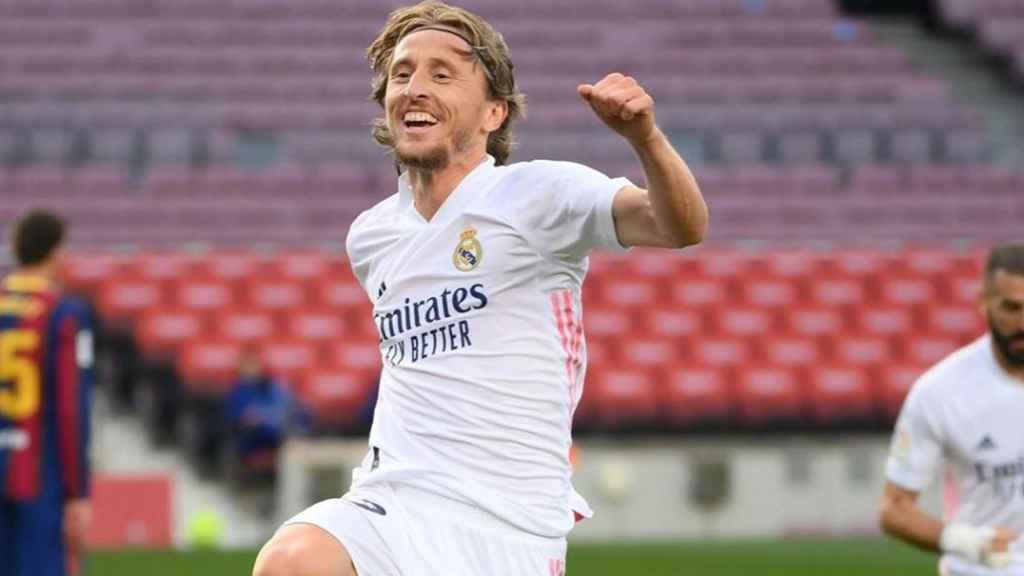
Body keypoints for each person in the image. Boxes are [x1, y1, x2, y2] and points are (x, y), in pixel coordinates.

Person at [254, 2, 707, 574]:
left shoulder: (536, 196)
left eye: (442, 74)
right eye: (402, 74)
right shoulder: (370, 236)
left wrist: (645, 139)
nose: (414, 88)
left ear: (494, 112)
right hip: (392, 499)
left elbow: (680, 226)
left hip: (508, 525)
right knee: (293, 561)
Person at [880, 243, 1024, 576]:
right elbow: (894, 508)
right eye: (1011, 308)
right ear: (983, 304)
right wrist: (967, 542)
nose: (1023, 322)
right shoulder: (940, 392)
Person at [0, 210, 94, 576]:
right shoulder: (65, 313)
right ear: (54, 252)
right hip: (39, 476)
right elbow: (72, 407)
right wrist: (78, 492)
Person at [224, 349, 308, 483]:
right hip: (251, 441)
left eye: (254, 365)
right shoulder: (237, 392)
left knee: (296, 424)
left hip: (277, 436)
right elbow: (238, 418)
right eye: (247, 366)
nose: (252, 370)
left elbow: (285, 409)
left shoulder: (271, 388)